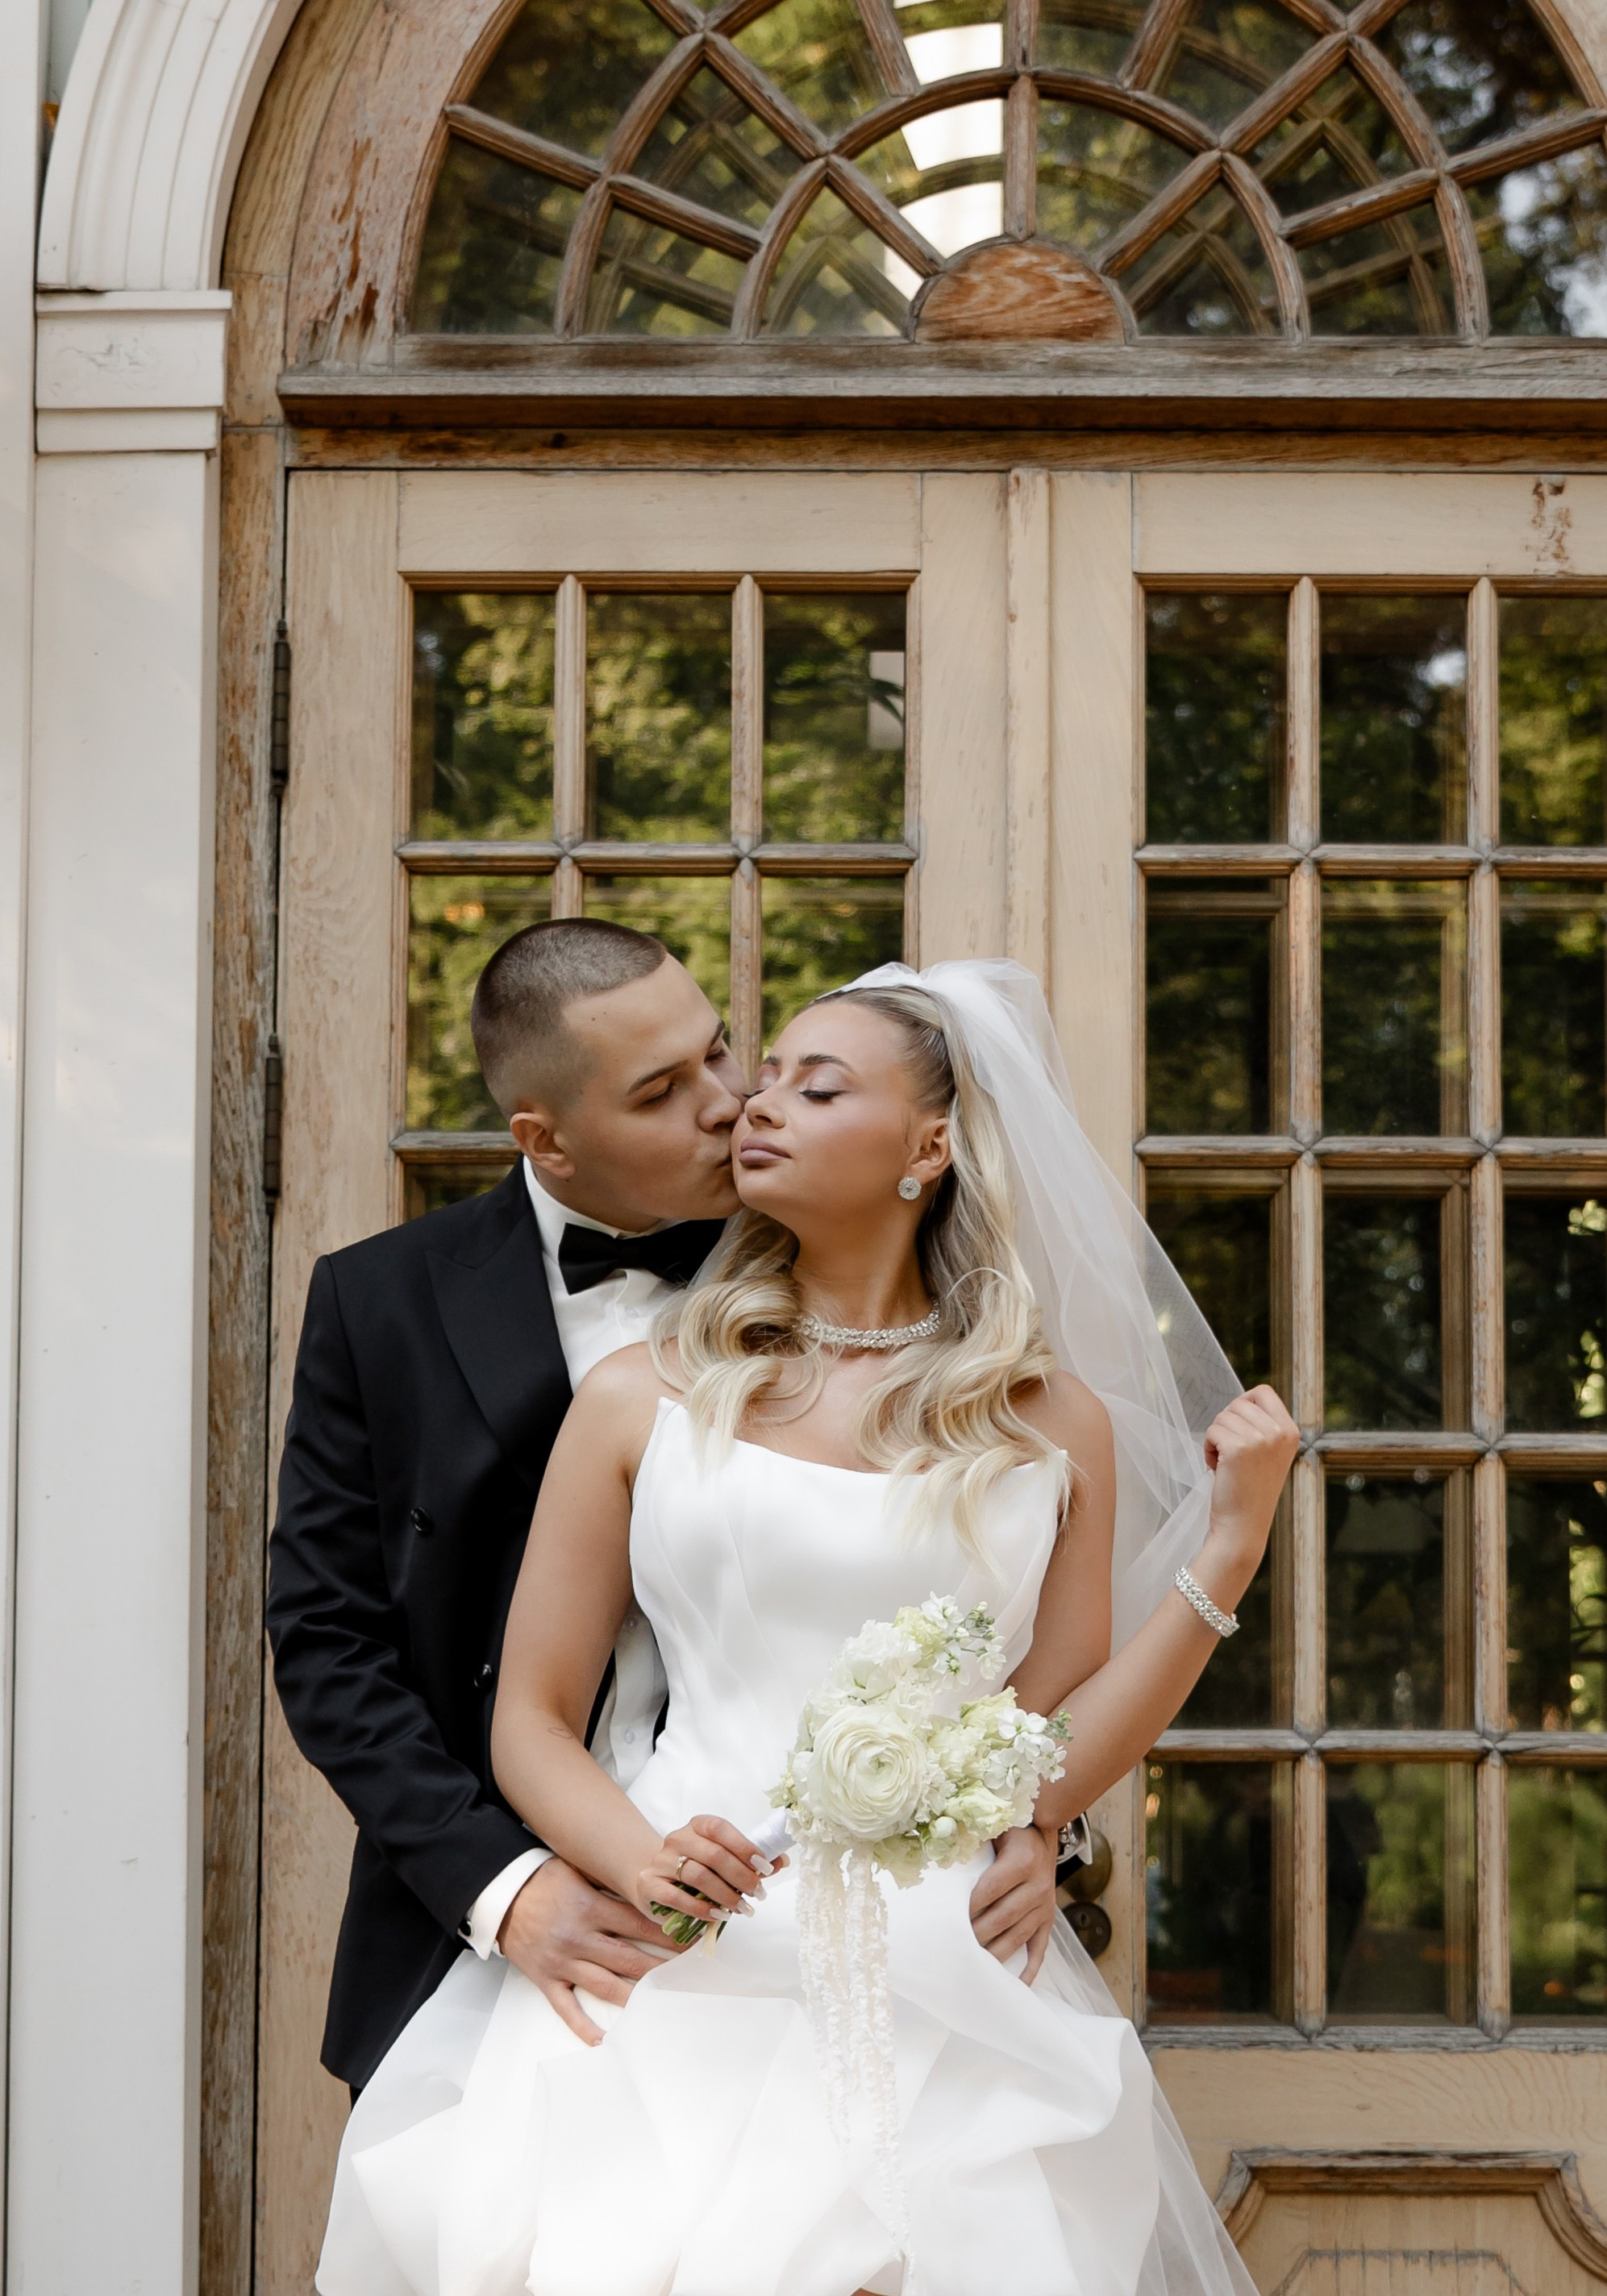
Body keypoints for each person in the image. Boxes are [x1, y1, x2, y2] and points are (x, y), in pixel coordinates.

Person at [317, 960, 1299, 2296]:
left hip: (943, 1974)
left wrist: (1229, 1551)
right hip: (663, 1967)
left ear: (932, 1146)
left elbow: (1040, 1749)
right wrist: (641, 1863)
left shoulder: (1047, 1423)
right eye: (757, 1076)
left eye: (804, 1082)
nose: (748, 1107)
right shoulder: (636, 1393)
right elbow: (526, 1714)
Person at [269, 923, 1061, 2096]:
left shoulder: (834, 1244)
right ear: (546, 1137)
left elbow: (991, 1596)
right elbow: (328, 1641)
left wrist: (1031, 1823)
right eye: (661, 1091)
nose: (730, 1102)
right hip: (502, 1925)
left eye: (721, 1050)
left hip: (849, 1930)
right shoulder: (378, 1301)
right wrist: (509, 1889)